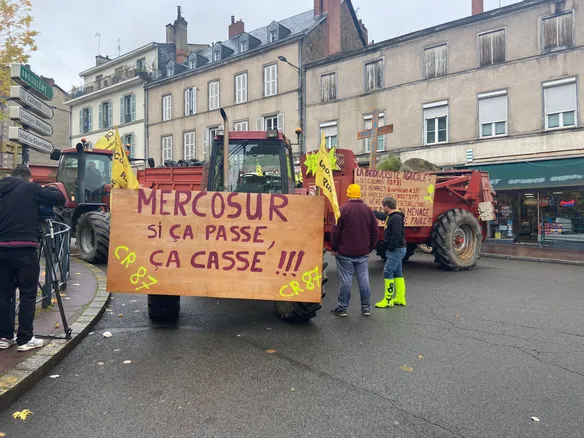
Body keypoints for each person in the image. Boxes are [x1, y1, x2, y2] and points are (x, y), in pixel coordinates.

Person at [0, 165, 66, 351]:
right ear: (28, 178)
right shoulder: (29, 188)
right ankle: (25, 339)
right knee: (28, 293)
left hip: (1, 249)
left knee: (3, 294)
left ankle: (4, 337)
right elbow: (59, 198)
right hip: (23, 247)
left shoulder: (2, 188)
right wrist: (47, 188)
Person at [330, 184, 379, 317]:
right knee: (364, 279)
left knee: (345, 280)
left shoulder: (342, 209)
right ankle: (366, 308)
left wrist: (334, 247)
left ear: (348, 194)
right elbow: (375, 231)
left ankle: (342, 308)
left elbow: (335, 231)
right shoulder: (368, 210)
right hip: (362, 252)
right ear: (359, 194)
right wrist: (370, 248)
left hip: (345, 252)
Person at [374, 197, 407, 308]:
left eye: (383, 206)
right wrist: (372, 212)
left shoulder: (396, 218)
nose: (383, 209)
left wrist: (389, 247)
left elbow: (396, 235)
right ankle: (400, 298)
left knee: (388, 272)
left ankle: (388, 300)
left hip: (396, 249)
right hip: (398, 249)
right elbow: (382, 216)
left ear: (387, 206)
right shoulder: (392, 216)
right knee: (397, 273)